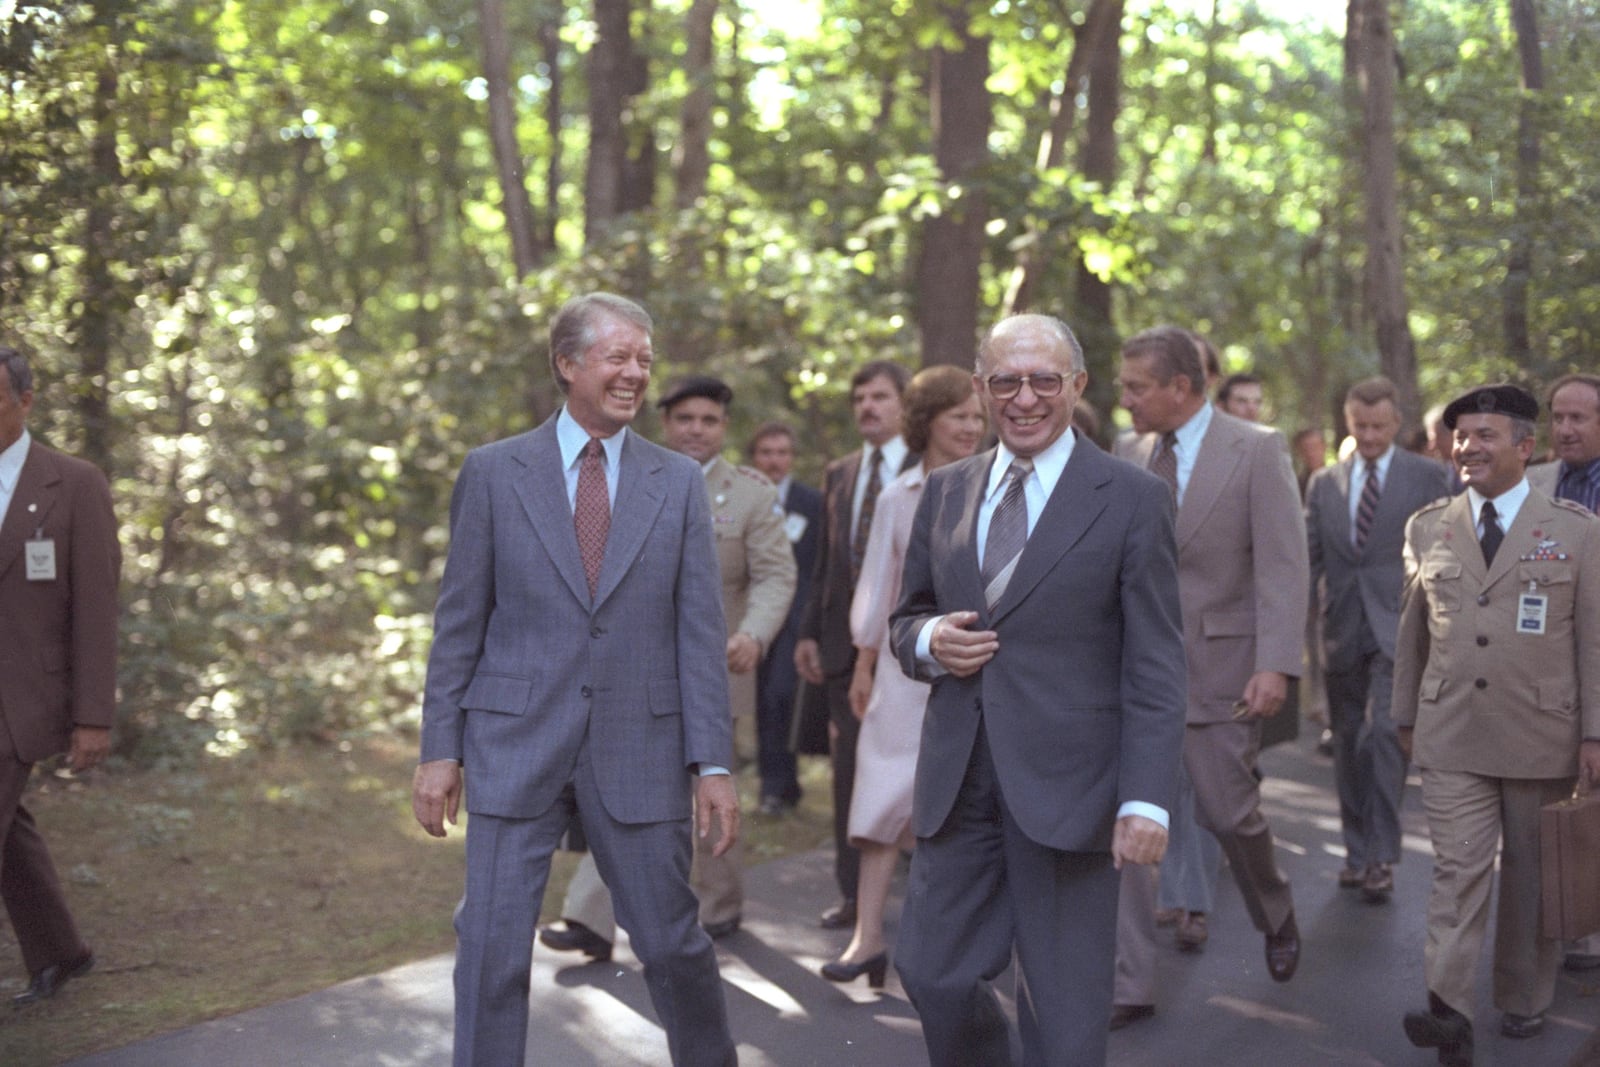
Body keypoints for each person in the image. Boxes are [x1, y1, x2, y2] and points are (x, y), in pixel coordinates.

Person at [411, 293, 739, 1067]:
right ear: (567, 364)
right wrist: (439, 749)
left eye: (643, 360)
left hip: (640, 746)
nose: (635, 374)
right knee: (490, 947)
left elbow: (699, 632)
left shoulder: (678, 482)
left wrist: (713, 762)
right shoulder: (493, 473)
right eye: (617, 358)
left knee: (671, 945)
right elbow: (459, 624)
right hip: (513, 743)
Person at [887, 313, 1186, 1066]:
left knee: (1064, 1012)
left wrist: (1147, 797)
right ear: (983, 390)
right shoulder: (948, 490)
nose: (1025, 398)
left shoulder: (1131, 497)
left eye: (1044, 380)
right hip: (960, 780)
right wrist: (929, 641)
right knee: (931, 971)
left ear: (1078, 385)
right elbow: (906, 618)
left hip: (1072, 788)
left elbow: (1155, 660)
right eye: (1006, 381)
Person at [541, 375, 794, 955]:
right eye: (685, 420)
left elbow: (776, 575)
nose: (696, 430)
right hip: (631, 670)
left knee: (709, 784)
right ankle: (590, 919)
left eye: (708, 421)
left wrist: (754, 633)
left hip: (716, 668)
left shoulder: (751, 495)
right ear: (666, 423)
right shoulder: (621, 476)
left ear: (723, 429)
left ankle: (716, 906)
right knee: (619, 789)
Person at [1393, 383, 1600, 1064]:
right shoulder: (1429, 525)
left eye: (1485, 435)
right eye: (1461, 436)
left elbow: (1593, 642)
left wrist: (1594, 732)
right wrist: (1404, 716)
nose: (1468, 448)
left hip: (1544, 734)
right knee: (1456, 872)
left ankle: (1523, 996)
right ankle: (1447, 1009)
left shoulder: (1576, 529)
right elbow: (1412, 634)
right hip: (1452, 729)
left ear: (1523, 446)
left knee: (1531, 880)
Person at [1112, 326, 1308, 1027]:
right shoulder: (1125, 452)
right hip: (1135, 674)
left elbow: (1284, 564)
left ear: (1181, 389)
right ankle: (1129, 980)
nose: (1125, 398)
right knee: (1129, 824)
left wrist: (1276, 664)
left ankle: (1276, 912)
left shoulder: (1257, 449)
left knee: (1229, 813)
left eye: (1137, 387)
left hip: (1223, 671)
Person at [821, 366, 985, 986]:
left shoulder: (1000, 484)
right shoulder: (898, 497)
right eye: (958, 417)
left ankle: (949, 946)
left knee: (961, 809)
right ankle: (866, 939)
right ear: (926, 423)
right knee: (881, 799)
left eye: (977, 417)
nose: (971, 427)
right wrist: (864, 665)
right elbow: (879, 590)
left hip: (975, 668)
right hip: (901, 669)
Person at [0, 346, 120, 1006]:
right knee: (10, 829)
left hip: (22, 699)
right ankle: (60, 950)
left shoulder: (73, 484)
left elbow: (96, 609)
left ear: (26, 400)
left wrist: (92, 715)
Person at [1305, 378, 1450, 903]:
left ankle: (1383, 857)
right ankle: (1356, 851)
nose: (1368, 435)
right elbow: (1309, 560)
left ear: (1395, 425)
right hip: (1341, 628)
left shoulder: (1431, 477)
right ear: (1348, 423)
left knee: (1385, 736)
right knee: (1347, 744)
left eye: (1378, 426)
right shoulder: (1324, 483)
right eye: (1359, 426)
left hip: (1402, 627)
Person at [794, 360, 913, 930]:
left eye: (881, 397)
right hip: (845, 650)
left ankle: (926, 894)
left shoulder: (931, 467)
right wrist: (811, 633)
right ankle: (851, 893)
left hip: (911, 652)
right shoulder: (840, 472)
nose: (867, 406)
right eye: (859, 397)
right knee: (850, 772)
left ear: (905, 405)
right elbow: (826, 563)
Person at [1527, 374, 1600, 973]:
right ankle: (1574, 918)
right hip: (1549, 663)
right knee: (1568, 791)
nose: (1567, 429)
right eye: (1559, 417)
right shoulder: (1535, 485)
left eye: (1580, 418)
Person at [747, 420, 822, 815]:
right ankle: (773, 789)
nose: (774, 461)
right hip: (753, 617)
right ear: (754, 457)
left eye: (782, 453)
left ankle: (785, 782)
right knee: (760, 702)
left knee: (781, 695)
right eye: (766, 453)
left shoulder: (812, 502)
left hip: (796, 620)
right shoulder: (742, 499)